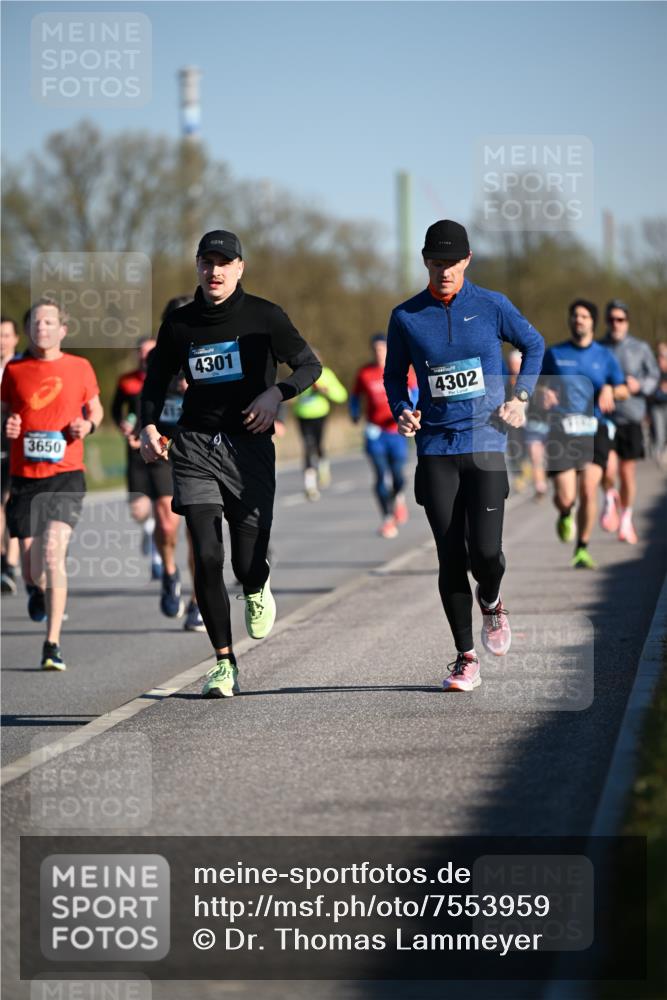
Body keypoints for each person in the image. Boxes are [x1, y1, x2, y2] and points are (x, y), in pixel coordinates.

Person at [139, 229, 321, 698]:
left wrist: (275, 393)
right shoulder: (180, 324)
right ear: (197, 266)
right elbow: (155, 381)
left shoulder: (265, 317)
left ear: (240, 268)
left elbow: (309, 366)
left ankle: (257, 585)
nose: (214, 271)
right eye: (206, 262)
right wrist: (147, 426)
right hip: (195, 446)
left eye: (224, 263)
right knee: (206, 554)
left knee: (245, 561)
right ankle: (224, 662)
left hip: (249, 447)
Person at [384, 220, 544, 693]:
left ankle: (492, 603)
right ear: (425, 262)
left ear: (467, 261)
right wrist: (402, 410)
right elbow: (395, 376)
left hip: (488, 442)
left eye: (452, 263)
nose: (445, 271)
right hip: (435, 447)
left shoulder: (492, 306)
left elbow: (534, 344)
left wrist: (522, 397)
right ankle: (464, 657)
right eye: (436, 263)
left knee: (487, 554)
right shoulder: (407, 316)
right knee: (450, 556)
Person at [1, 297, 103, 670]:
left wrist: (87, 426)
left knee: (52, 555)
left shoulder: (80, 366)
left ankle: (52, 643)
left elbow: (95, 409)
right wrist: (7, 426)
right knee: (32, 569)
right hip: (25, 478)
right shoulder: (14, 370)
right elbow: (4, 413)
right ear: (28, 331)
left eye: (49, 322)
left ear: (63, 329)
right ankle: (35, 589)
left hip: (66, 475)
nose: (42, 328)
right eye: (36, 323)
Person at [540, 299, 628, 569]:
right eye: (574, 316)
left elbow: (624, 388)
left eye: (584, 316)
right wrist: (544, 393)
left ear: (592, 322)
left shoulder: (604, 356)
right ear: (570, 321)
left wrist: (611, 390)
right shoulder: (555, 354)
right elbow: (539, 386)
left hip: (595, 428)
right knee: (567, 496)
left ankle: (582, 548)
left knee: (589, 489)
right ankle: (565, 512)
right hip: (563, 429)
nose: (578, 320)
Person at [598, 300, 660, 543]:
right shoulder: (599, 347)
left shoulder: (640, 348)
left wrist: (640, 385)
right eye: (611, 319)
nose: (616, 324)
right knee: (608, 467)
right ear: (606, 321)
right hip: (604, 417)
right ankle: (609, 498)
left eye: (620, 319)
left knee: (627, 472)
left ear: (627, 322)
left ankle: (625, 519)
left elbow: (653, 376)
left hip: (631, 416)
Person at [350, 333, 417, 538]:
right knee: (380, 474)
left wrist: (409, 411)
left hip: (396, 431)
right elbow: (354, 396)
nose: (379, 353)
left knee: (398, 475)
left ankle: (397, 498)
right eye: (376, 349)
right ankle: (387, 519)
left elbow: (415, 392)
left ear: (388, 350)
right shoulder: (365, 373)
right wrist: (354, 412)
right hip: (375, 431)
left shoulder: (402, 370)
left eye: (382, 349)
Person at [112, 337, 162, 580]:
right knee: (139, 510)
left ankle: (157, 556)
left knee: (164, 510)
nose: (145, 356)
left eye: (150, 351)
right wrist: (122, 424)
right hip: (134, 449)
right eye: (141, 352)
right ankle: (148, 528)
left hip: (162, 449)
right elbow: (115, 410)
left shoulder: (169, 377)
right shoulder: (127, 381)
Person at [292, 352, 348, 500]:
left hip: (320, 414)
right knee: (308, 446)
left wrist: (325, 391)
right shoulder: (298, 373)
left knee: (318, 445)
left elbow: (342, 395)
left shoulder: (325, 374)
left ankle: (323, 466)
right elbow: (291, 394)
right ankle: (310, 485)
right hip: (302, 415)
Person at [1, 316, 21, 593]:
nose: (1, 341)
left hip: (19, 443)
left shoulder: (21, 367)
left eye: (6, 335)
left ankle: (10, 565)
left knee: (11, 501)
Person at [649, 341, 667, 467]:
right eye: (660, 356)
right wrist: (659, 388)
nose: (662, 359)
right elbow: (648, 388)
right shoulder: (654, 371)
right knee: (659, 433)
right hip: (656, 405)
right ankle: (658, 457)